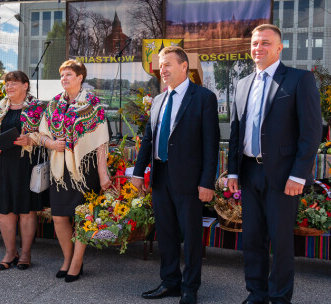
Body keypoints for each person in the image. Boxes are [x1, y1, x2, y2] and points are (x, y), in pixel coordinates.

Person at [227, 24, 321, 304]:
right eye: (255, 43)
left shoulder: (298, 80)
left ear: (280, 48)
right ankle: (256, 294)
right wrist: (232, 171)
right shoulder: (242, 84)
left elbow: (311, 133)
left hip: (283, 176)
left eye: (266, 43)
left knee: (280, 243)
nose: (259, 48)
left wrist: (298, 175)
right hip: (249, 171)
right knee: (253, 239)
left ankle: (280, 298)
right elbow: (235, 132)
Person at [131, 46, 219, 304]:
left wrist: (207, 181)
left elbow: (211, 144)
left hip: (190, 182)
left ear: (184, 67)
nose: (163, 70)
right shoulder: (158, 100)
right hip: (161, 177)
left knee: (191, 236)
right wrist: (138, 171)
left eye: (168, 64)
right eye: (161, 65)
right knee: (166, 233)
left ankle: (190, 288)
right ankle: (170, 282)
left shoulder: (203, 97)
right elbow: (148, 139)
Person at [31, 59, 111, 283]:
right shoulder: (55, 103)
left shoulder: (93, 104)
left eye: (68, 75)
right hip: (60, 170)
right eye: (62, 75)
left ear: (80, 78)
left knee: (82, 216)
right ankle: (67, 258)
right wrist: (51, 144)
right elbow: (42, 133)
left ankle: (76, 262)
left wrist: (103, 173)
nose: (64, 79)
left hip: (85, 170)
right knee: (58, 217)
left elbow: (101, 142)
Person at [0, 71, 47, 270]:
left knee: (26, 210)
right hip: (2, 164)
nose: (9, 87)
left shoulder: (38, 108)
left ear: (26, 85)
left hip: (27, 164)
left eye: (14, 83)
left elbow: (48, 132)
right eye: (7, 84)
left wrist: (30, 139)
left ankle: (25, 254)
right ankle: (9, 252)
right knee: (5, 210)